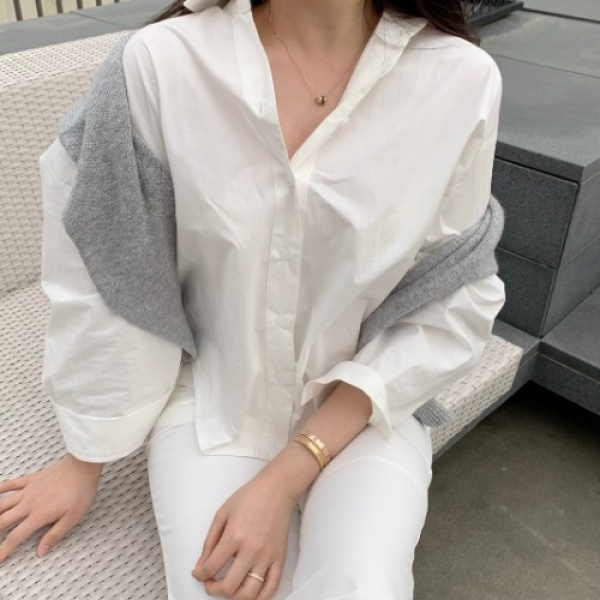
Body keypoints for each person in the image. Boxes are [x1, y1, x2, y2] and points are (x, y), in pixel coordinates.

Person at [0, 0, 506, 598]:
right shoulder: (164, 64)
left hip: (366, 403)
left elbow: (451, 294)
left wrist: (285, 477)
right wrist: (85, 459)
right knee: (214, 587)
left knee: (360, 585)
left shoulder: (460, 81)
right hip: (213, 402)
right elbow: (109, 273)